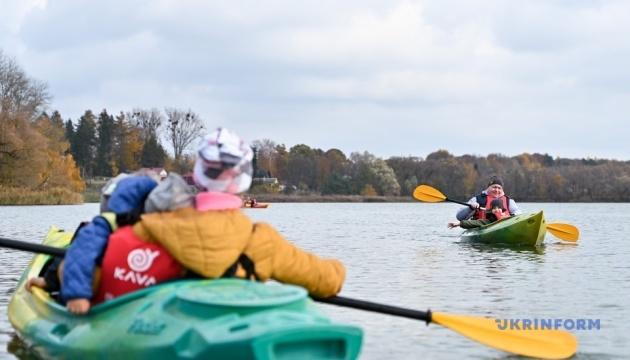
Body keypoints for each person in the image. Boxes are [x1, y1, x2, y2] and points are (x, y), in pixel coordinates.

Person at [132, 128, 345, 300]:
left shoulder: (151, 227)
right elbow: (328, 281)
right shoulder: (262, 242)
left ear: (198, 175)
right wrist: (338, 269)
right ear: (243, 179)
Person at [455, 175, 521, 221]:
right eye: (494, 187)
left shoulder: (509, 201)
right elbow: (459, 217)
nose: (497, 190)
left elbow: (518, 213)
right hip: (481, 226)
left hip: (503, 224)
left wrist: (511, 216)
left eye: (499, 188)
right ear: (488, 187)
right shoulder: (476, 199)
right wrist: (470, 208)